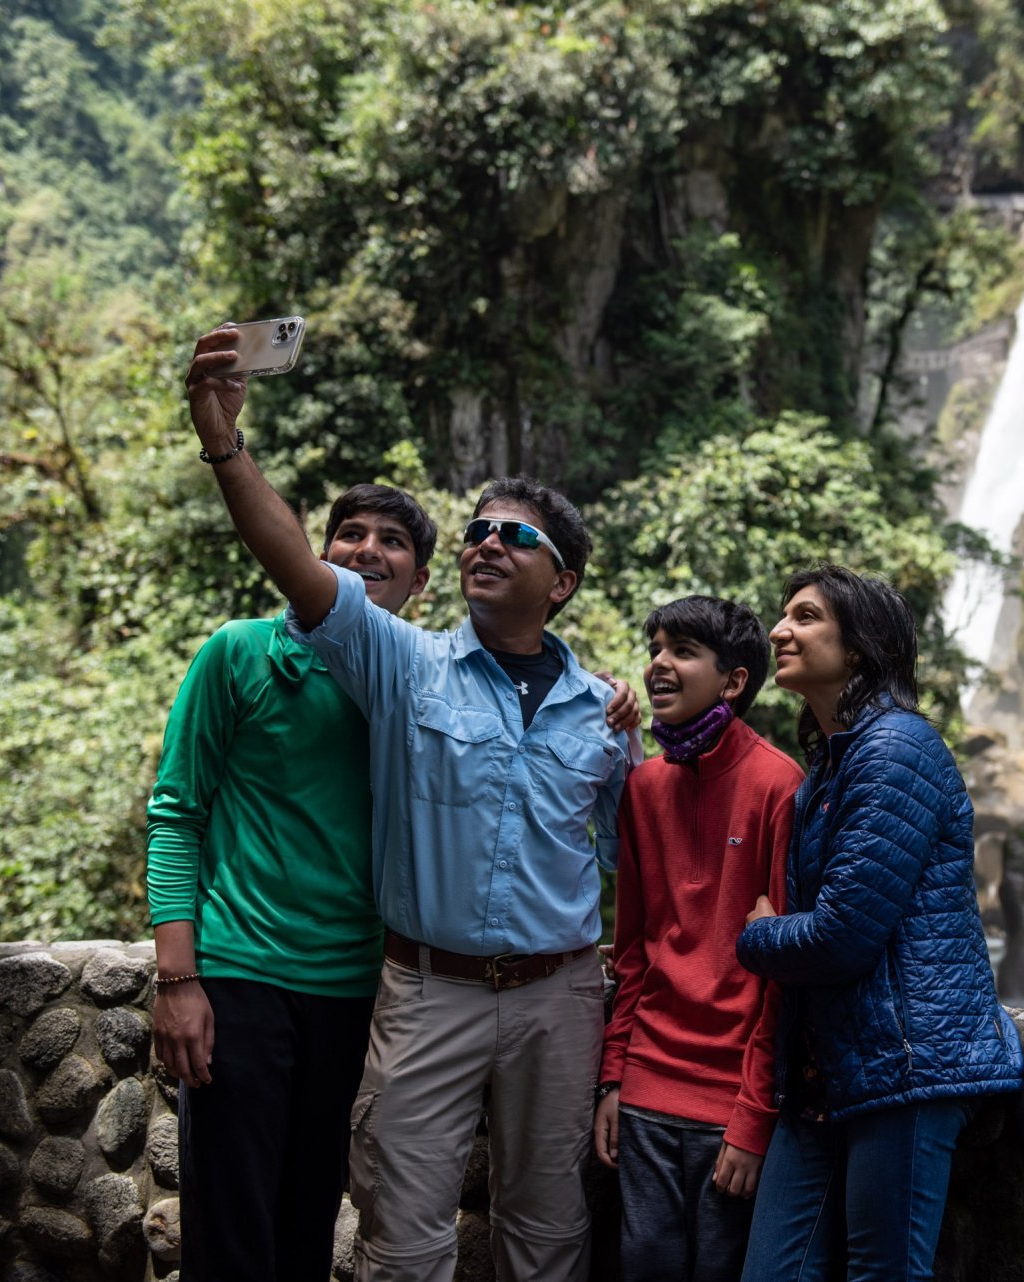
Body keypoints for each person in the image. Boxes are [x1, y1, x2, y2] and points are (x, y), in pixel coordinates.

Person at [183, 323, 636, 1282]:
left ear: (561, 582)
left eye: (515, 536)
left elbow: (647, 856)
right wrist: (224, 443)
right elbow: (297, 568)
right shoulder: (406, 665)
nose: (485, 543)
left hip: (561, 996)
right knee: (401, 1234)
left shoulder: (605, 713)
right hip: (427, 990)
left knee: (549, 1233)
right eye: (475, 529)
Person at [146, 483, 434, 1282]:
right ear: (316, 553)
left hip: (356, 991)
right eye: (348, 534)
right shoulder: (236, 653)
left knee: (309, 1222)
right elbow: (177, 813)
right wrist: (179, 977)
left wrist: (613, 705)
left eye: (391, 541)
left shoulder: (418, 683)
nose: (366, 549)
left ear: (421, 584)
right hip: (240, 976)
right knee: (230, 1228)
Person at [735, 565, 1023, 1282]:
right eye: (784, 616)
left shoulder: (897, 750)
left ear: (858, 648)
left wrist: (759, 934)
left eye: (805, 617)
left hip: (908, 1066)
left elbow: (841, 935)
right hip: (831, 1072)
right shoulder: (831, 767)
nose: (780, 631)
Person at [593, 596, 803, 1282]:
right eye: (655, 648)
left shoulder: (779, 785)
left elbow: (784, 973)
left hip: (730, 1105)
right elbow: (631, 952)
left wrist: (752, 1116)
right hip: (647, 1095)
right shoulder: (645, 787)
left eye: (682, 651)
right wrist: (614, 1078)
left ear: (734, 681)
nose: (658, 664)